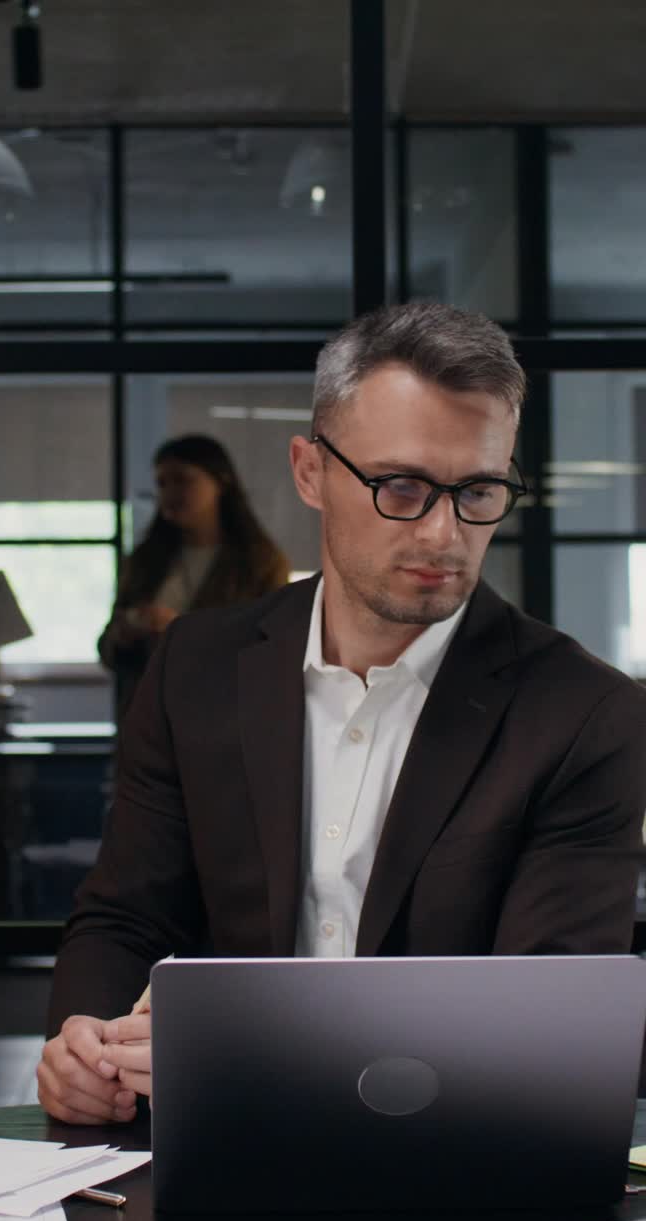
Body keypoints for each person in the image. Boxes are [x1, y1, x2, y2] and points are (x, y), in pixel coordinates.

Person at [38, 300, 646, 1126]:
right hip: (205, 1143)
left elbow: (544, 1025)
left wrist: (243, 1050)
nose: (443, 533)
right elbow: (126, 915)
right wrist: (84, 1042)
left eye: (478, 491)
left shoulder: (589, 715)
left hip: (449, 1156)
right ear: (310, 472)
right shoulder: (196, 668)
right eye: (401, 487)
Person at [97, 434, 291, 714]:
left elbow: (273, 650)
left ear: (221, 483)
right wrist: (124, 633)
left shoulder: (259, 562)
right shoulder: (144, 560)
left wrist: (182, 631)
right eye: (162, 483)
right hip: (149, 719)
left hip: (223, 719)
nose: (170, 493)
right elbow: (107, 650)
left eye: (183, 480)